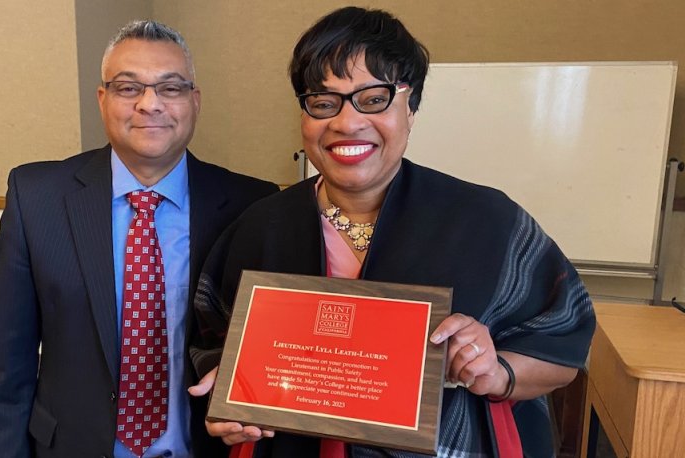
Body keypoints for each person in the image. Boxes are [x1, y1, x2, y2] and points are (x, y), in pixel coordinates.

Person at [188, 7, 595, 457]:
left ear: (411, 107)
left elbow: (562, 351)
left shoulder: (488, 222)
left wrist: (496, 370)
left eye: (373, 98)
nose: (347, 123)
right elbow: (213, 341)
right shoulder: (261, 226)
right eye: (323, 102)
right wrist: (230, 394)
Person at [0, 20, 279, 458]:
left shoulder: (250, 204)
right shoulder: (37, 198)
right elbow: (6, 369)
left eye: (170, 88)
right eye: (128, 88)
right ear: (103, 100)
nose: (149, 104)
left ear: (195, 102)